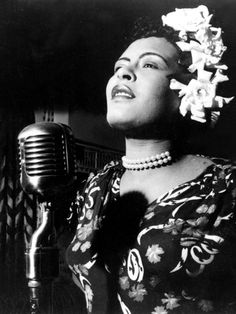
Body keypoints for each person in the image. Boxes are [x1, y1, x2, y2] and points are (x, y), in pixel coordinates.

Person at [66, 5, 236, 314]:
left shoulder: (226, 188)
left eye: (150, 65)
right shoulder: (95, 188)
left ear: (187, 93)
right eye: (120, 66)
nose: (124, 72)